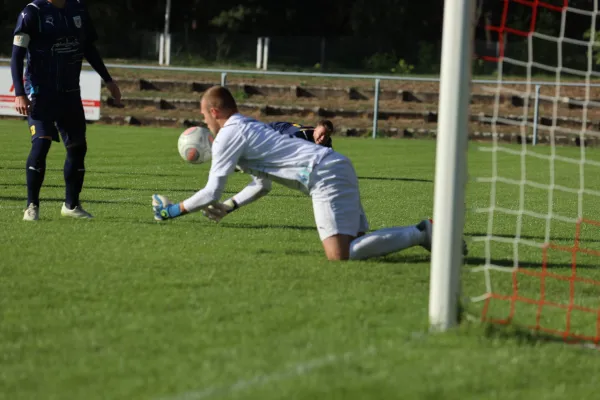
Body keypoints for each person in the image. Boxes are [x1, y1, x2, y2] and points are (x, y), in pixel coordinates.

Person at [151, 86, 441, 261]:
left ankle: (421, 232)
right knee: (359, 241)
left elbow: (211, 191)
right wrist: (230, 207)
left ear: (214, 112)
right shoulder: (249, 126)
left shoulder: (229, 134)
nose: (203, 121)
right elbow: (262, 185)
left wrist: (171, 211)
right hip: (335, 164)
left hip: (323, 175)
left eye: (203, 115)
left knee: (340, 254)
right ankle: (421, 233)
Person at [11, 0, 122, 221]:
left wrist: (108, 80)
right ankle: (31, 206)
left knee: (77, 147)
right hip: (40, 93)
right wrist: (20, 93)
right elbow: (17, 56)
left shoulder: (78, 9)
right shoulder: (32, 13)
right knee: (41, 143)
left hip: (70, 93)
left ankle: (71, 205)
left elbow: (88, 48)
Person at [268, 120, 334, 148]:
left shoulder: (328, 142)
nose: (323, 138)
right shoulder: (298, 136)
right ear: (315, 130)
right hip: (272, 129)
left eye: (326, 136)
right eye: (321, 134)